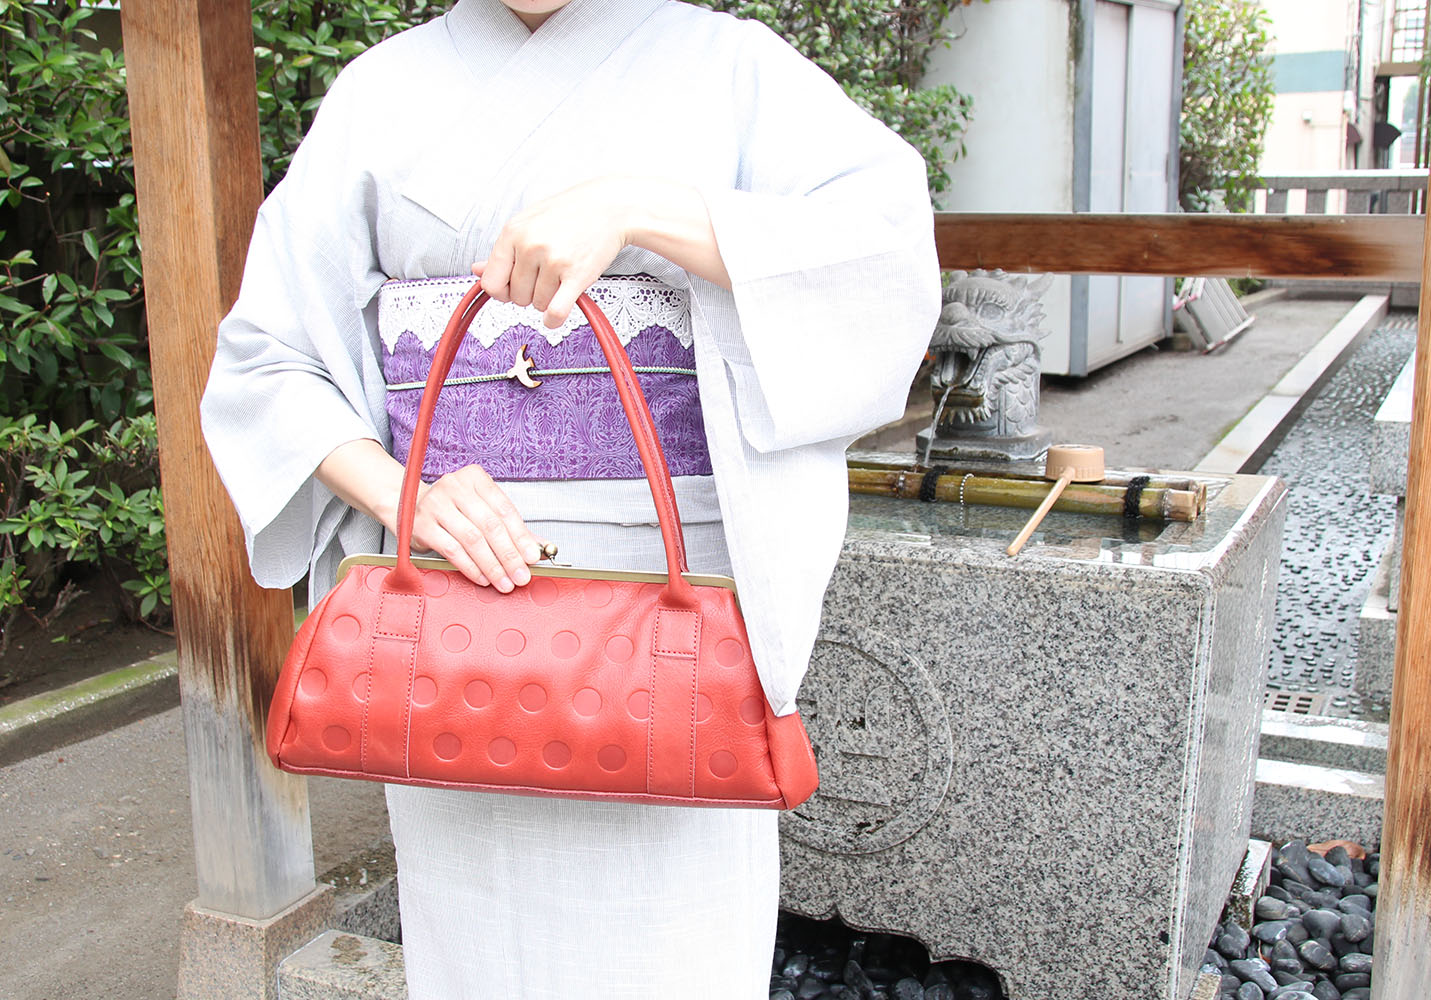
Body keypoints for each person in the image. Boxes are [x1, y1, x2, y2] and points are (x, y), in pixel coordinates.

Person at [200, 0, 940, 996]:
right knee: (475, 952)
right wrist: (400, 491)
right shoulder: (379, 94)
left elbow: (885, 264)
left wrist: (640, 207)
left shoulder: (731, 66)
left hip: (673, 624)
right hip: (453, 624)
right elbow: (265, 361)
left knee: (670, 948)